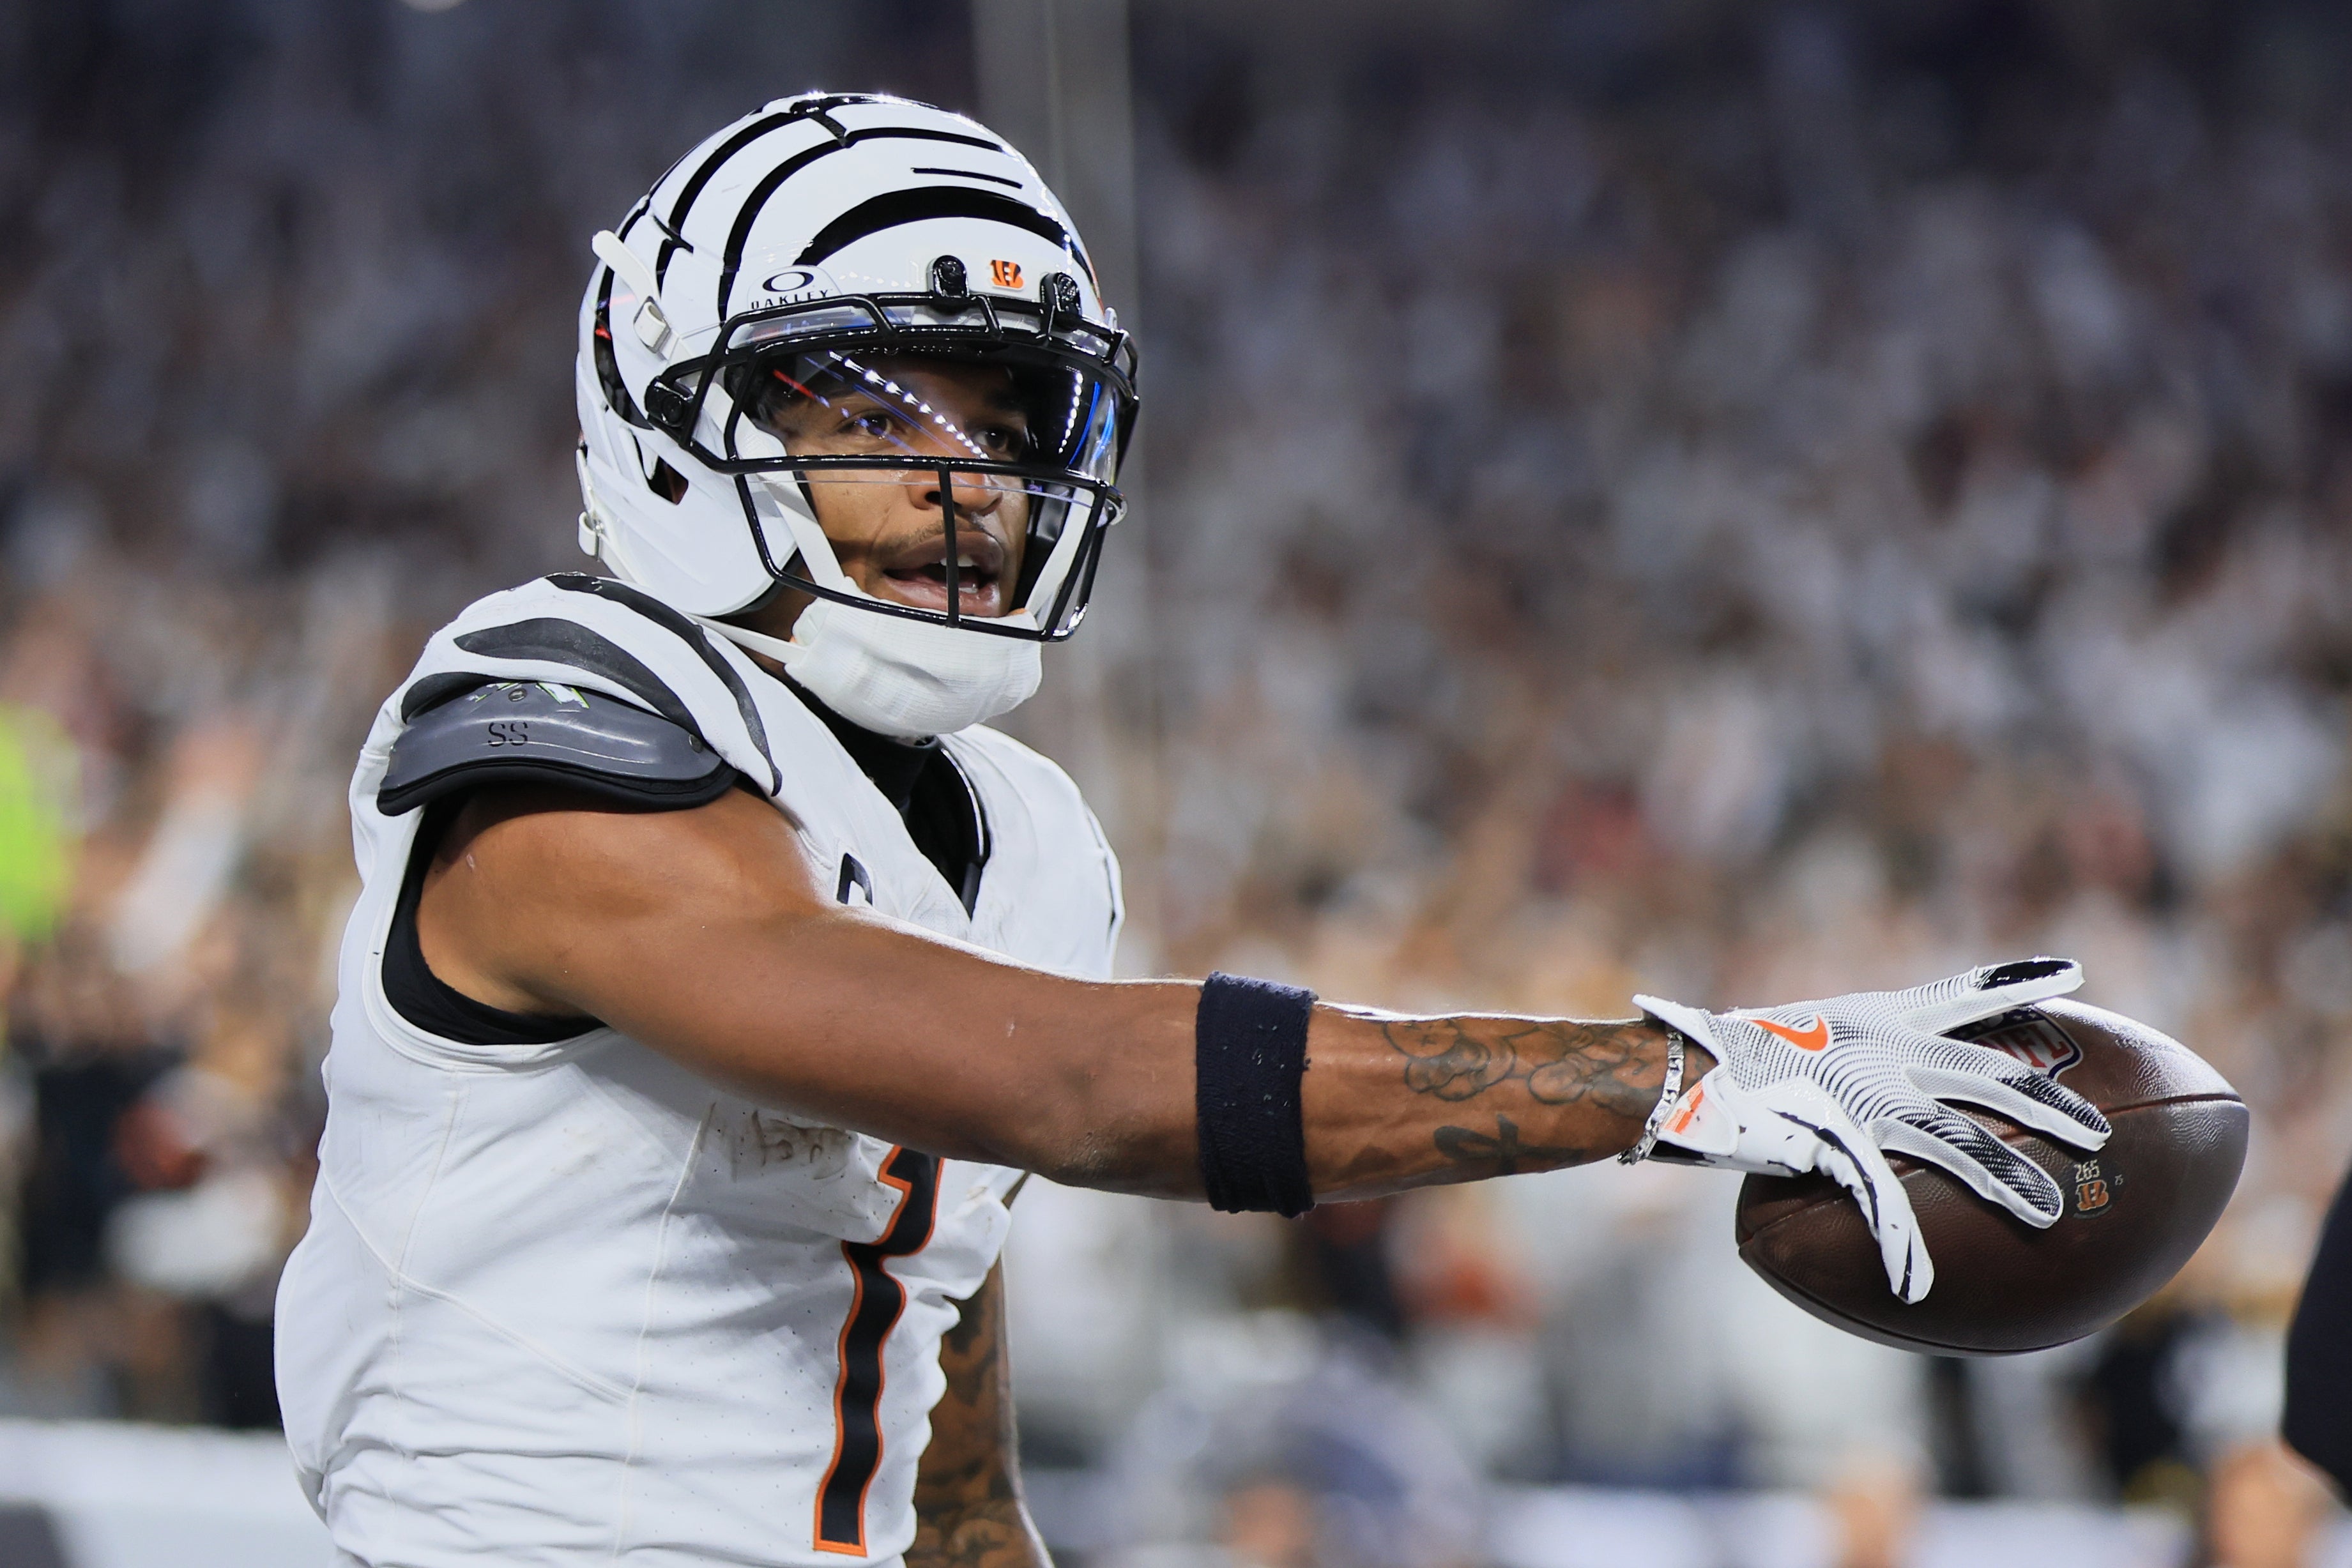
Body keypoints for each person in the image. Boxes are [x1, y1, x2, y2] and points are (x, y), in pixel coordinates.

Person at [271, 93, 2111, 1568]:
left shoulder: (1023, 836)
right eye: (877, 408)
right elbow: (1062, 1088)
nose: (965, 483)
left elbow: (949, 1483)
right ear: (671, 405)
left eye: (1007, 424)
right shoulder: (553, 708)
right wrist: (1692, 1079)